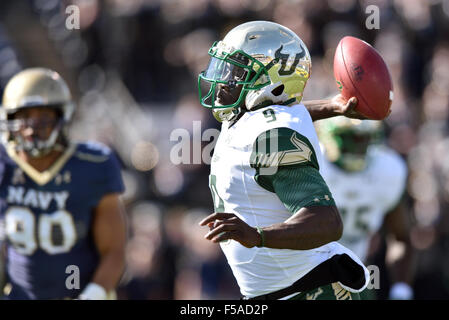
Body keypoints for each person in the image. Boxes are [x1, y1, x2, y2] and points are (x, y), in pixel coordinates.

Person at [197, 20, 370, 300]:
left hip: (308, 291)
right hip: (281, 290)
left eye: (236, 71)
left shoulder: (273, 137)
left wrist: (258, 235)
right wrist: (331, 106)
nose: (224, 79)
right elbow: (292, 110)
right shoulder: (251, 115)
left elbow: (326, 221)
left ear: (271, 84)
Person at [0, 68, 127, 299]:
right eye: (24, 117)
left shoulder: (93, 164)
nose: (32, 128)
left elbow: (114, 250)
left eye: (44, 118)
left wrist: (93, 294)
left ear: (62, 117)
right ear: (9, 118)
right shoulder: (3, 163)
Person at [316, 117, 415, 299]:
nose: (358, 146)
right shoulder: (313, 167)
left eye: (363, 138)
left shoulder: (386, 170)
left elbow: (401, 236)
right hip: (308, 272)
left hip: (357, 273)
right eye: (350, 138)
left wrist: (401, 290)